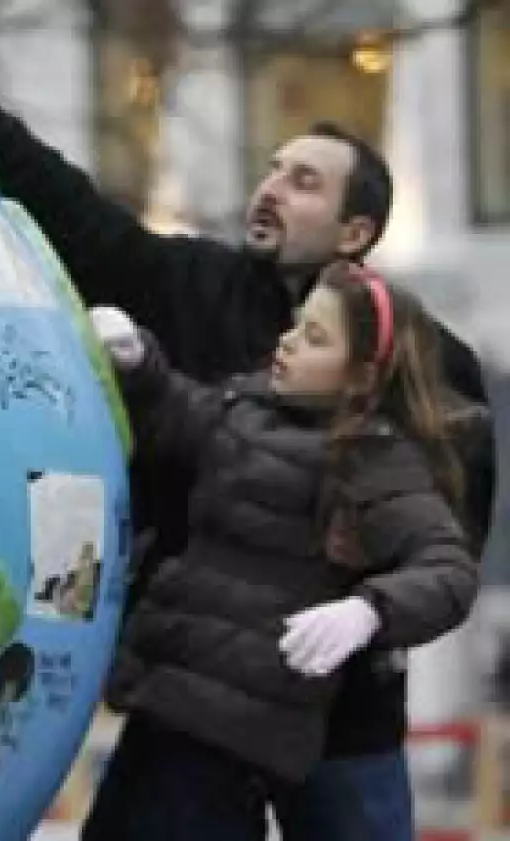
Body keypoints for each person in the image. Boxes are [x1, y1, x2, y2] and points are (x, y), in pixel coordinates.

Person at [0, 43, 495, 841]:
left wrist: (358, 614)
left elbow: (446, 542)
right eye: (272, 168)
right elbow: (80, 219)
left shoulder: (433, 363)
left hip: (341, 708)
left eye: (304, 182)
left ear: (355, 230)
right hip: (195, 701)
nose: (270, 189)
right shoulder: (194, 284)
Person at [82, 262, 478, 839]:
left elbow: (449, 570)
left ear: (362, 377)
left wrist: (370, 610)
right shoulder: (249, 409)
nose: (289, 343)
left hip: (227, 743)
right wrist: (138, 360)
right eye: (297, 325)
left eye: (316, 338)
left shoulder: (372, 460)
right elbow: (176, 414)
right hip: (163, 708)